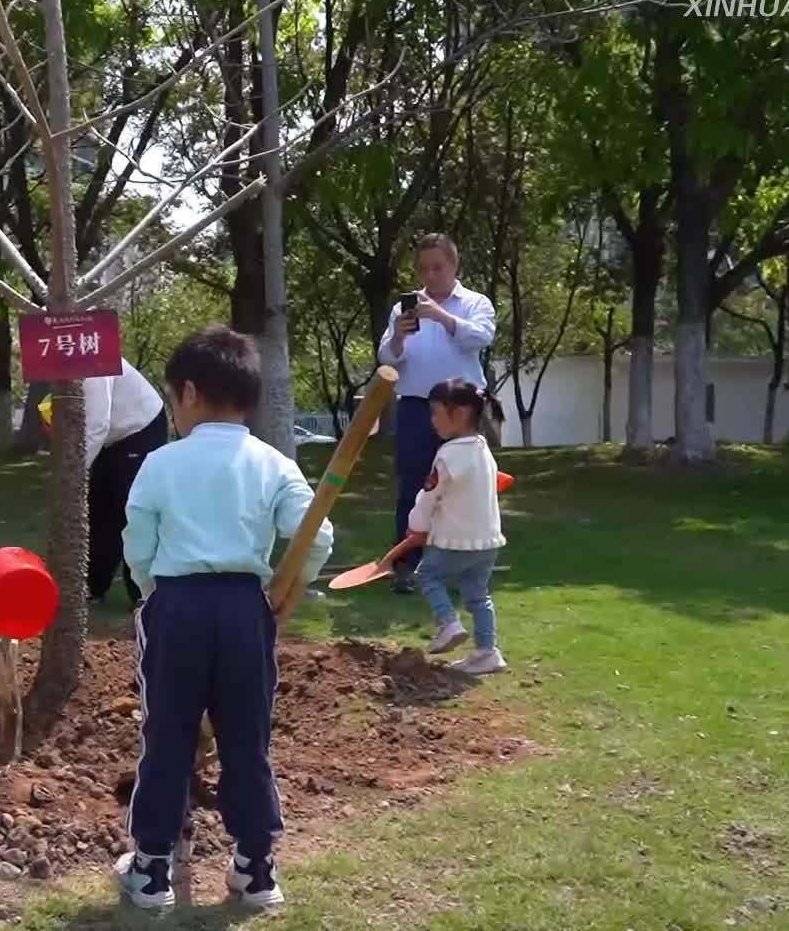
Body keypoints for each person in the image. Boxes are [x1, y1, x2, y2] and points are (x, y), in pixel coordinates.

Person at [114, 326, 334, 912]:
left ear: (187, 393)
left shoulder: (161, 463)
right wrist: (289, 591)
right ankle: (256, 868)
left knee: (165, 737)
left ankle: (152, 869)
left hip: (178, 608)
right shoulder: (273, 463)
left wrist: (151, 591)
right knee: (246, 738)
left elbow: (138, 541)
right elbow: (318, 535)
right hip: (244, 609)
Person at [375, 234, 496, 594]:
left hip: (463, 409)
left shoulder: (475, 302)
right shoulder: (404, 309)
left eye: (438, 268)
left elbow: (481, 337)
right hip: (416, 406)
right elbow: (387, 357)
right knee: (412, 487)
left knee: (467, 488)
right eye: (424, 269)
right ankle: (405, 568)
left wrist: (442, 317)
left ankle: (466, 567)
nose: (430, 276)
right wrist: (397, 336)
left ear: (454, 265)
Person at [374, 378, 508, 675]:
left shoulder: (447, 455)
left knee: (426, 575)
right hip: (488, 543)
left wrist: (415, 526)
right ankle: (488, 652)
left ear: (458, 414)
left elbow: (429, 496)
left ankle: (449, 624)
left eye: (435, 413)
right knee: (478, 595)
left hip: (455, 541)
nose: (431, 421)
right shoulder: (483, 449)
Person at [69, 360, 169, 606]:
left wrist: (73, 473)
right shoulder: (66, 365)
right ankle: (93, 586)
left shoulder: (94, 361)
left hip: (141, 428)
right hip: (112, 437)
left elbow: (97, 425)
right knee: (99, 506)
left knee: (130, 511)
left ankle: (142, 594)